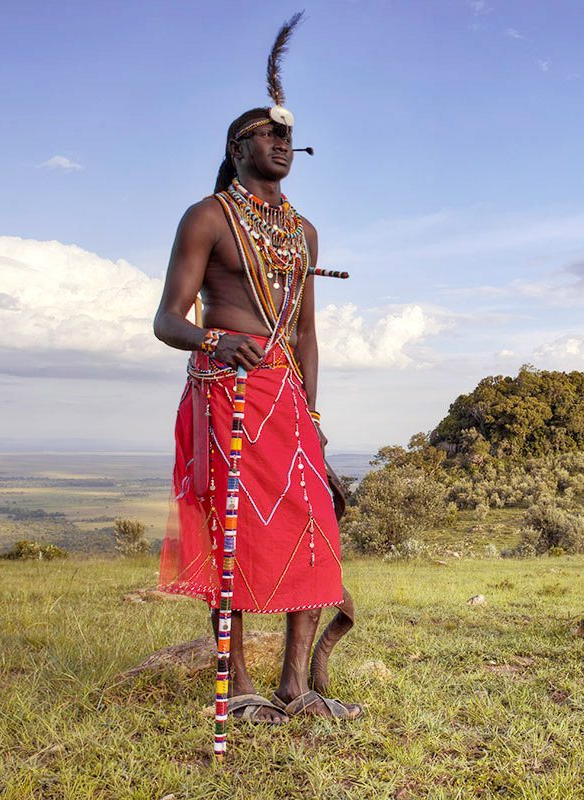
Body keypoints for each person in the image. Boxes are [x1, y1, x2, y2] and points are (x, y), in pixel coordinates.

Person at [152, 13, 359, 726]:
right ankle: (238, 683)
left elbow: (306, 331)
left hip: (287, 397)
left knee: (312, 526)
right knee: (230, 534)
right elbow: (167, 320)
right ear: (237, 147)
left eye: (288, 137)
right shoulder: (206, 217)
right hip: (225, 392)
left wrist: (315, 417)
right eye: (268, 134)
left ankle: (295, 688)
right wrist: (212, 342)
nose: (282, 144)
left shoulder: (303, 232)